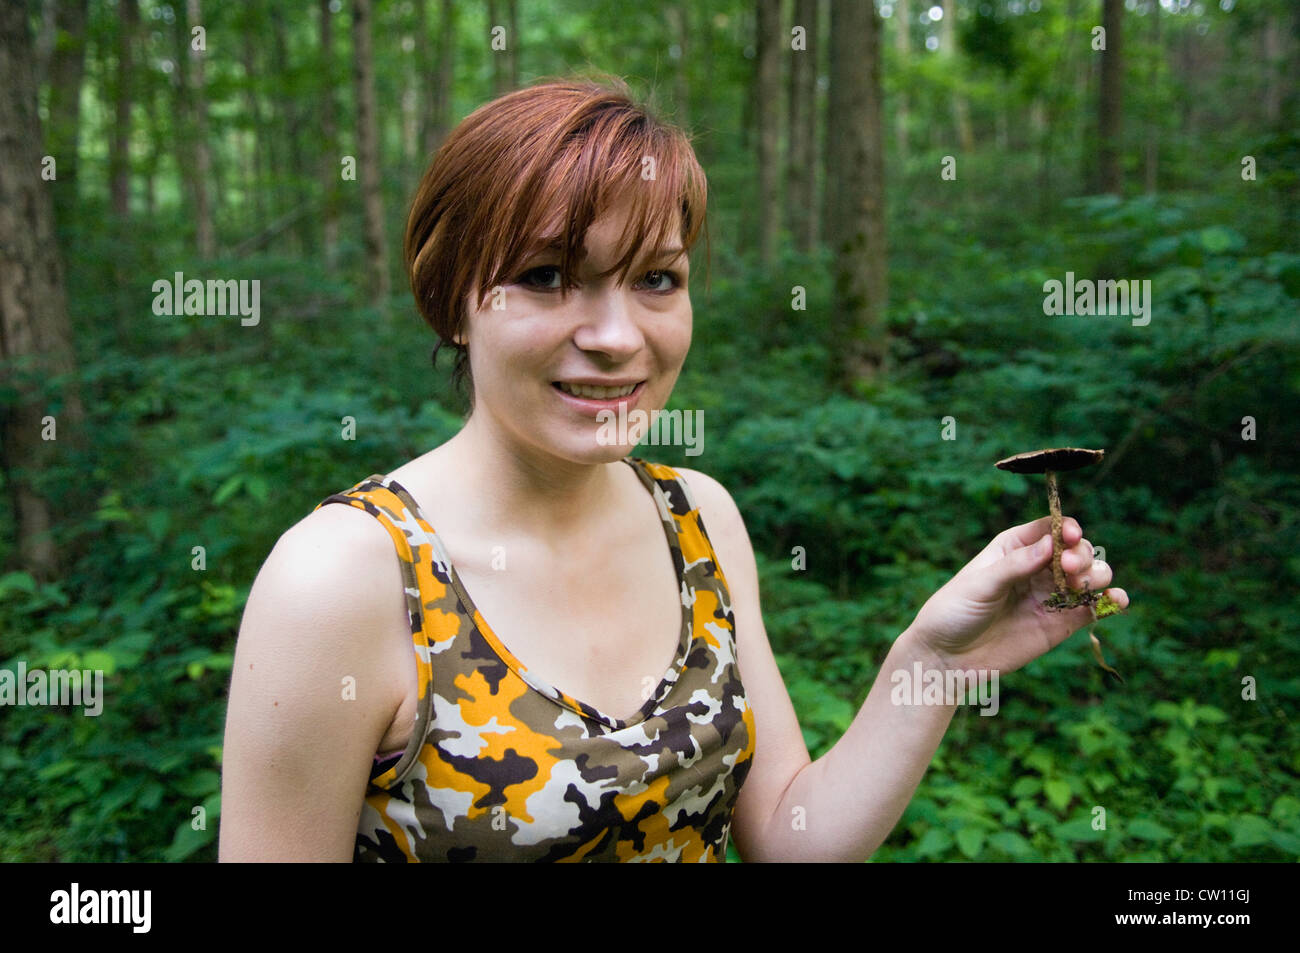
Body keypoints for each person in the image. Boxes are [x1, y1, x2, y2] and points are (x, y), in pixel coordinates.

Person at [218, 77, 1127, 863]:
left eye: (657, 278)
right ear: (456, 300)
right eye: (545, 275)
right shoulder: (343, 579)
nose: (616, 339)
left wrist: (934, 662)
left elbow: (788, 835)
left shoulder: (697, 518)